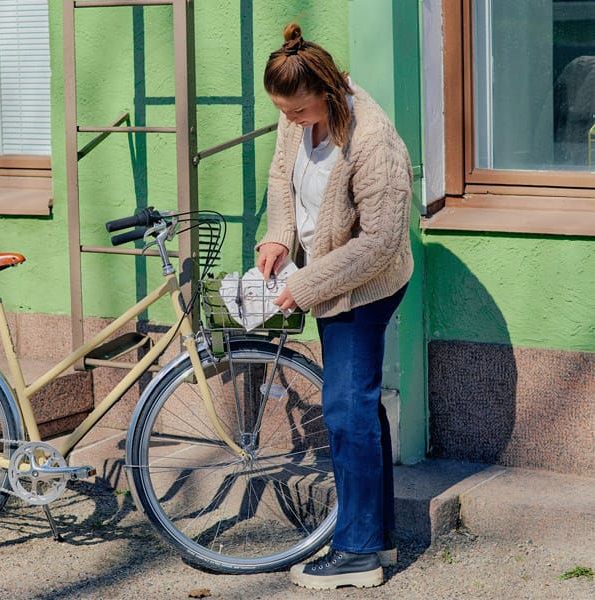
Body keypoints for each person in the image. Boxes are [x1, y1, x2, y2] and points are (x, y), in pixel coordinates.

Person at [255, 22, 414, 590]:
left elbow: (381, 242)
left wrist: (307, 285)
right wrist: (277, 236)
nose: (291, 122)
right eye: (284, 112)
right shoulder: (296, 106)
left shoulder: (373, 142)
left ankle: (358, 553)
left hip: (366, 286)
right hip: (325, 278)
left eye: (297, 113)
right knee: (357, 406)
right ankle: (380, 537)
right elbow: (281, 175)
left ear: (326, 92)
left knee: (346, 411)